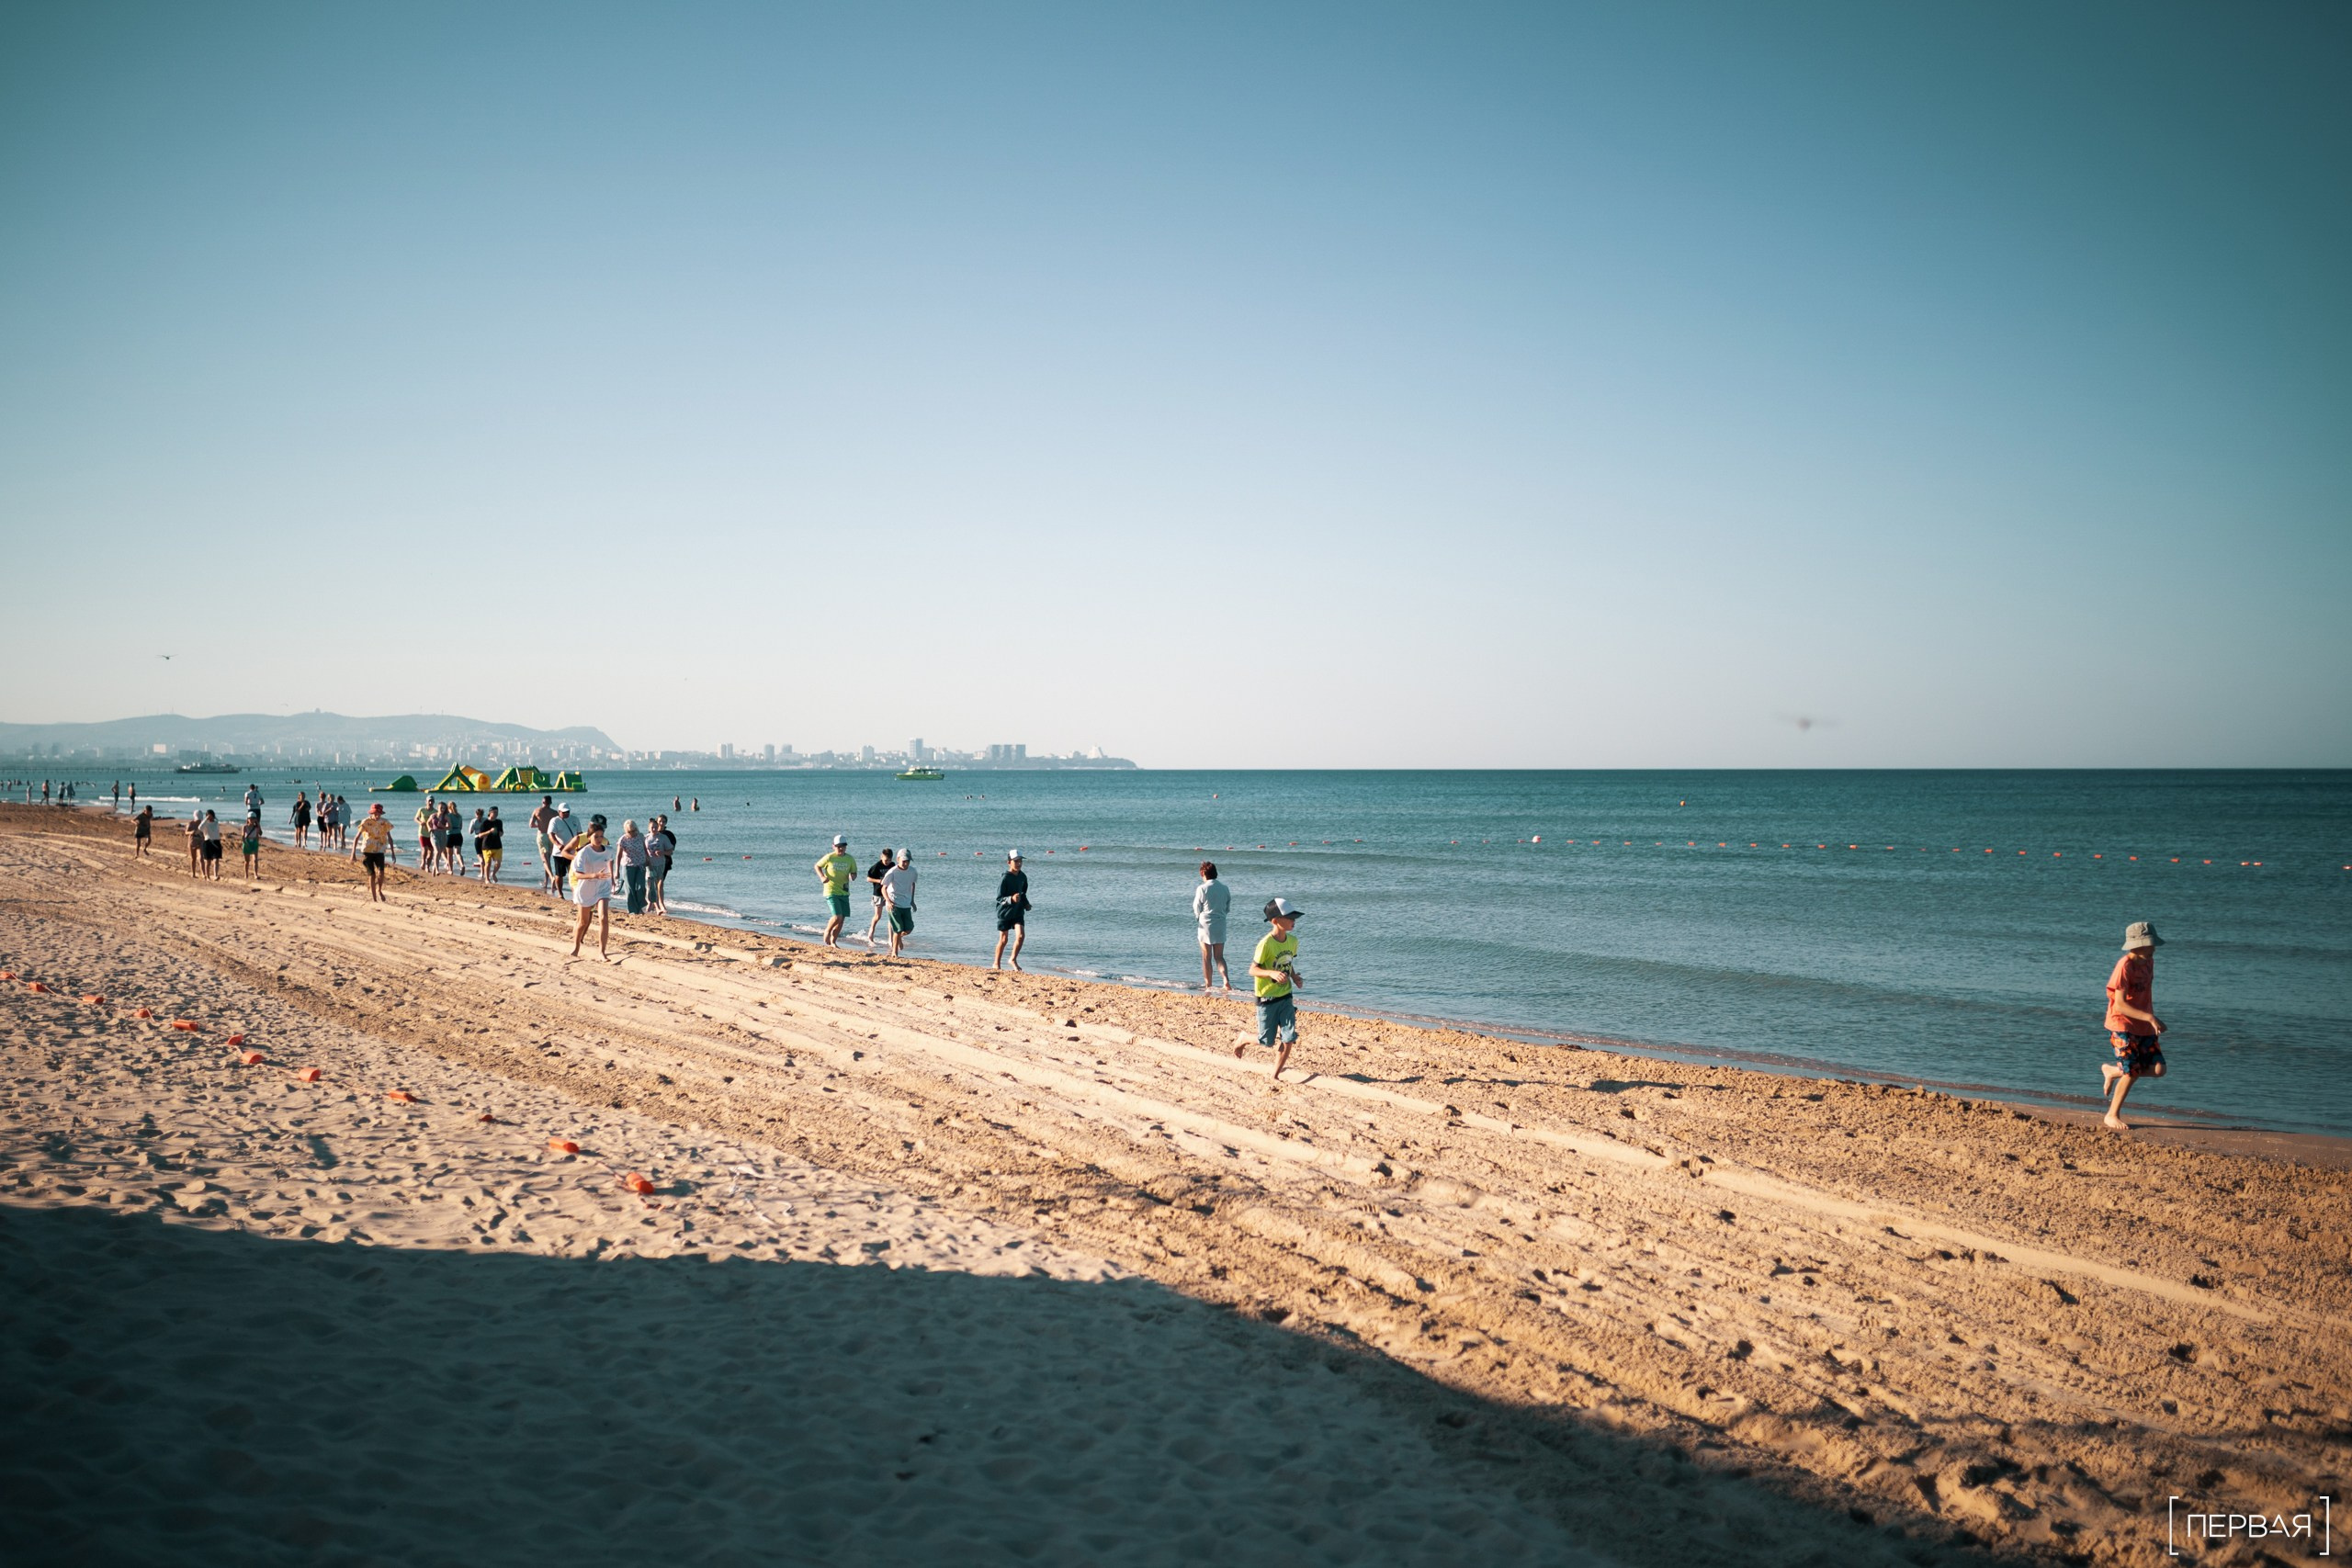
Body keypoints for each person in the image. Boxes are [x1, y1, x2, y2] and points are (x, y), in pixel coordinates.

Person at [2100, 921, 2168, 1130]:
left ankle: (2113, 1071)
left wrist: (2150, 1019)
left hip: (2144, 1025)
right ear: (2138, 945)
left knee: (2159, 1070)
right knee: (2132, 1072)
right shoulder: (2124, 967)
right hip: (2121, 1024)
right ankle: (2111, 1115)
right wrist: (2149, 1017)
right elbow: (2119, 1004)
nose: (2154, 948)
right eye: (2150, 944)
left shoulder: (2149, 962)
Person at [1242, 897, 1306, 1078]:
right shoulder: (1265, 944)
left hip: (1285, 995)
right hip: (1266, 998)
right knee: (1266, 1041)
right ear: (1276, 921)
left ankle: (1275, 1075)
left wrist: (1294, 977)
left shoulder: (1293, 941)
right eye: (1290, 917)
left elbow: (1288, 962)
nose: (1294, 920)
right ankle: (1243, 1038)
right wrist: (1271, 973)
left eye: (1294, 917)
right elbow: (1252, 970)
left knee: (1289, 1038)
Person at [568, 816, 616, 957]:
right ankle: (576, 947)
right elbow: (577, 875)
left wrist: (612, 877)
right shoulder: (584, 852)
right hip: (586, 888)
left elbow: (610, 862)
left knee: (603, 917)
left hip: (602, 887)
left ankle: (602, 952)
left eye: (601, 836)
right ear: (589, 837)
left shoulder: (608, 850)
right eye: (596, 836)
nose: (599, 839)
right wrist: (594, 875)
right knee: (583, 922)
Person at [1193, 861, 1233, 991]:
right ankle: (1226, 980)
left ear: (1202, 873)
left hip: (1205, 924)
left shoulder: (1202, 888)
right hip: (1220, 923)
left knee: (1206, 956)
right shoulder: (1225, 888)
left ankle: (1208, 984)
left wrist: (1198, 917)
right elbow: (1227, 907)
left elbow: (1197, 907)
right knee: (1219, 956)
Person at [816, 835, 858, 946]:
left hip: (844, 891)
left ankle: (834, 941)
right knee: (837, 916)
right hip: (831, 890)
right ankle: (827, 931)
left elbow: (854, 872)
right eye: (838, 846)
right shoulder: (829, 857)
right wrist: (822, 877)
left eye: (843, 846)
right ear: (833, 846)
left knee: (842, 919)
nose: (841, 849)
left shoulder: (850, 859)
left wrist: (852, 876)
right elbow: (817, 866)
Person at [992, 851, 1030, 971]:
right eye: (1016, 861)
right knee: (1004, 939)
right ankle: (996, 963)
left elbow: (1023, 893)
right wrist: (1011, 899)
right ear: (1009, 862)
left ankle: (1012, 959)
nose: (1019, 864)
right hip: (1004, 912)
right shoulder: (1005, 878)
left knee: (1021, 936)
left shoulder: (1023, 877)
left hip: (1018, 912)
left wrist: (1026, 904)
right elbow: (999, 899)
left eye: (1020, 861)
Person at [351, 802, 396, 901]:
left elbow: (390, 838)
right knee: (372, 874)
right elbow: (356, 837)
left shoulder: (385, 822)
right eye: (375, 813)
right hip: (367, 851)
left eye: (378, 813)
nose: (377, 815)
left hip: (380, 850)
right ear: (372, 813)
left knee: (381, 872)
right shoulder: (365, 822)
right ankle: (374, 898)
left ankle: (379, 890)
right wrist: (353, 854)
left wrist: (393, 852)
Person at [880, 849, 918, 958]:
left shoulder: (913, 871)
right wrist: (888, 901)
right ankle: (894, 953)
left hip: (906, 903)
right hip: (894, 903)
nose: (906, 863)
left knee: (909, 928)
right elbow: (884, 888)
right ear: (898, 859)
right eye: (904, 861)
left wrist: (912, 900)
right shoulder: (892, 871)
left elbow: (913, 885)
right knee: (897, 929)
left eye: (908, 861)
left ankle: (899, 938)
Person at [863, 847, 897, 947]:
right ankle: (871, 933)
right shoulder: (876, 866)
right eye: (886, 860)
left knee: (891, 917)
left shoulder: (892, 865)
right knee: (878, 916)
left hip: (889, 894)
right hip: (878, 893)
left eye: (889, 860)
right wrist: (880, 881)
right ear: (881, 857)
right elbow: (868, 879)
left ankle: (890, 940)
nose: (887, 862)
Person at [616, 818, 650, 914]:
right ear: (626, 831)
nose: (633, 833)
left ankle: (640, 907)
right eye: (630, 831)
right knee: (630, 889)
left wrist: (648, 859)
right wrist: (616, 871)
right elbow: (618, 855)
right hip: (628, 866)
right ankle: (633, 910)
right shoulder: (623, 839)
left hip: (641, 865)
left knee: (641, 888)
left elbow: (645, 848)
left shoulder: (640, 836)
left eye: (634, 830)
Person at [547, 804, 581, 896]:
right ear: (559, 812)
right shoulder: (555, 821)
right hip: (559, 853)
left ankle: (575, 893)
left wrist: (580, 847)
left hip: (573, 852)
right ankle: (560, 893)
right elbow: (551, 835)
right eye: (564, 812)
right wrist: (559, 845)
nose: (566, 814)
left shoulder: (575, 819)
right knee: (559, 874)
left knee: (574, 873)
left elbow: (580, 834)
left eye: (568, 812)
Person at [529, 795, 558, 891]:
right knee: (548, 860)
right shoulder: (554, 813)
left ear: (543, 802)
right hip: (551, 836)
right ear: (551, 802)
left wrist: (539, 825)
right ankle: (546, 881)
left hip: (542, 835)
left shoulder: (537, 811)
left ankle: (552, 877)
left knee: (545, 860)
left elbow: (531, 825)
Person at [647, 815, 675, 913]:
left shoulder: (668, 835)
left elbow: (671, 849)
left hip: (664, 862)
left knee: (660, 883)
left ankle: (660, 903)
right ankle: (652, 903)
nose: (661, 823)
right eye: (660, 821)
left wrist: (662, 852)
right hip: (651, 862)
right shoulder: (649, 835)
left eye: (664, 821)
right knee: (651, 884)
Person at [476, 807, 504, 885]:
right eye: (494, 812)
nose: (496, 814)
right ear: (490, 813)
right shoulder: (485, 822)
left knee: (498, 863)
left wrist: (500, 833)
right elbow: (480, 835)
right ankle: (487, 879)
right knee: (488, 863)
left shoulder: (499, 822)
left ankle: (494, 873)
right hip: (487, 846)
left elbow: (501, 833)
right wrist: (489, 831)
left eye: (497, 812)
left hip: (497, 845)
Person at [197, 809, 224, 881]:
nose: (210, 817)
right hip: (208, 842)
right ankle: (207, 876)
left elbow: (216, 831)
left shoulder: (216, 823)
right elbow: (200, 827)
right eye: (208, 816)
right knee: (208, 862)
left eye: (211, 815)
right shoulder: (205, 824)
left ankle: (215, 875)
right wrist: (206, 819)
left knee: (216, 860)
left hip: (216, 842)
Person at [239, 813, 263, 878]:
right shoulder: (245, 827)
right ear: (248, 819)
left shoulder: (256, 827)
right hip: (247, 842)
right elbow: (243, 837)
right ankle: (246, 874)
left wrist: (258, 824)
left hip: (254, 842)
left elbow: (260, 834)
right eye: (250, 818)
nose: (252, 820)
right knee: (247, 860)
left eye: (253, 819)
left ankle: (255, 874)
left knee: (255, 860)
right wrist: (246, 844)